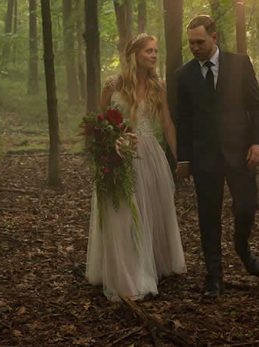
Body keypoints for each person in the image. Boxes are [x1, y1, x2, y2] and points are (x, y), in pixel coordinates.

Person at [86, 33, 186, 302]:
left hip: (149, 153)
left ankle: (150, 264)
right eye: (148, 51)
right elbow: (101, 123)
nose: (154, 56)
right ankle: (126, 273)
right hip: (119, 154)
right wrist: (110, 145)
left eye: (156, 51)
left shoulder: (158, 86)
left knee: (149, 210)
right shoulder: (113, 84)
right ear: (134, 54)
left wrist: (181, 158)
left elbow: (167, 124)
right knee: (122, 215)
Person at [175, 15, 259, 297]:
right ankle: (214, 276)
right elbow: (184, 120)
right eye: (191, 42)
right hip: (204, 157)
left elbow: (258, 107)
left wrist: (258, 143)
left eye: (200, 41)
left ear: (214, 38)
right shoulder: (184, 75)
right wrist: (184, 159)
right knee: (208, 218)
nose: (195, 47)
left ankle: (242, 247)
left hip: (241, 153)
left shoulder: (240, 64)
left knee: (246, 207)